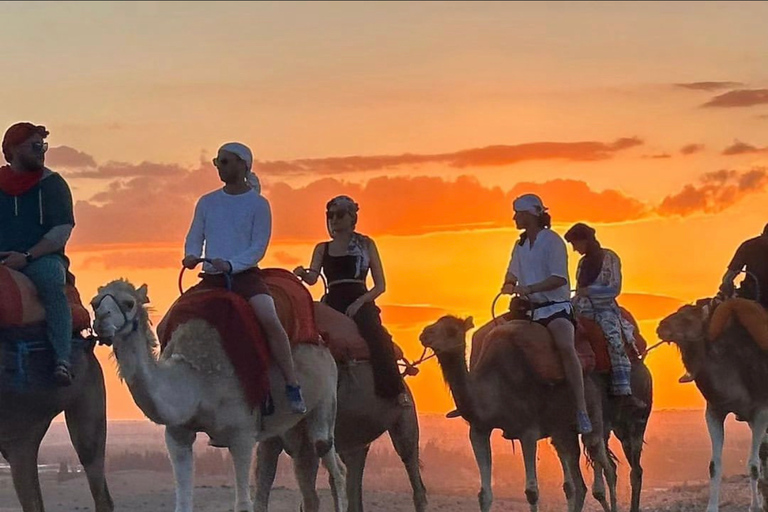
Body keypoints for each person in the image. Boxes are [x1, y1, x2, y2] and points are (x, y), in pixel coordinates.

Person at [183, 142, 306, 414]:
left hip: (245, 277)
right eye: (218, 162)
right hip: (212, 277)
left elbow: (258, 248)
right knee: (173, 318)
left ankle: (291, 383)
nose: (220, 167)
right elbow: (195, 236)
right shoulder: (207, 202)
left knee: (269, 319)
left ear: (243, 164)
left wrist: (231, 264)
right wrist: (191, 254)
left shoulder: (259, 204)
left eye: (225, 162)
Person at [293, 195, 409, 406]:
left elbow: (380, 285)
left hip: (359, 299)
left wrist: (360, 303)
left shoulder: (366, 244)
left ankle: (396, 391)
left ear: (351, 217)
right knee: (310, 338)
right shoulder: (322, 248)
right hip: (333, 299)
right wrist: (302, 273)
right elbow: (313, 278)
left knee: (376, 337)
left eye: (339, 215)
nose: (334, 219)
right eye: (330, 215)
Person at [0, 123, 76, 386]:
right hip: (2, 260)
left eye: (42, 146)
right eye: (35, 146)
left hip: (41, 259)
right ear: (12, 149)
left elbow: (61, 232)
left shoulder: (52, 185)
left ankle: (62, 359)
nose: (41, 151)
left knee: (52, 283)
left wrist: (27, 256)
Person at [565, 223, 645, 409]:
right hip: (580, 306)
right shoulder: (582, 263)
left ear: (585, 241)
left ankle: (624, 391)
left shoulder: (610, 258)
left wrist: (589, 291)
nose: (575, 249)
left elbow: (614, 287)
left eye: (576, 244)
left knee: (613, 339)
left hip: (604, 308)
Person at [679, 222, 768, 383]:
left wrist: (727, 285)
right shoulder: (749, 246)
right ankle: (698, 362)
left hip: (750, 302)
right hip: (749, 299)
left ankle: (697, 361)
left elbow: (728, 277)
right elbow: (729, 277)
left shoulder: (749, 245)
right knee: (712, 313)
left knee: (718, 311)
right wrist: (727, 286)